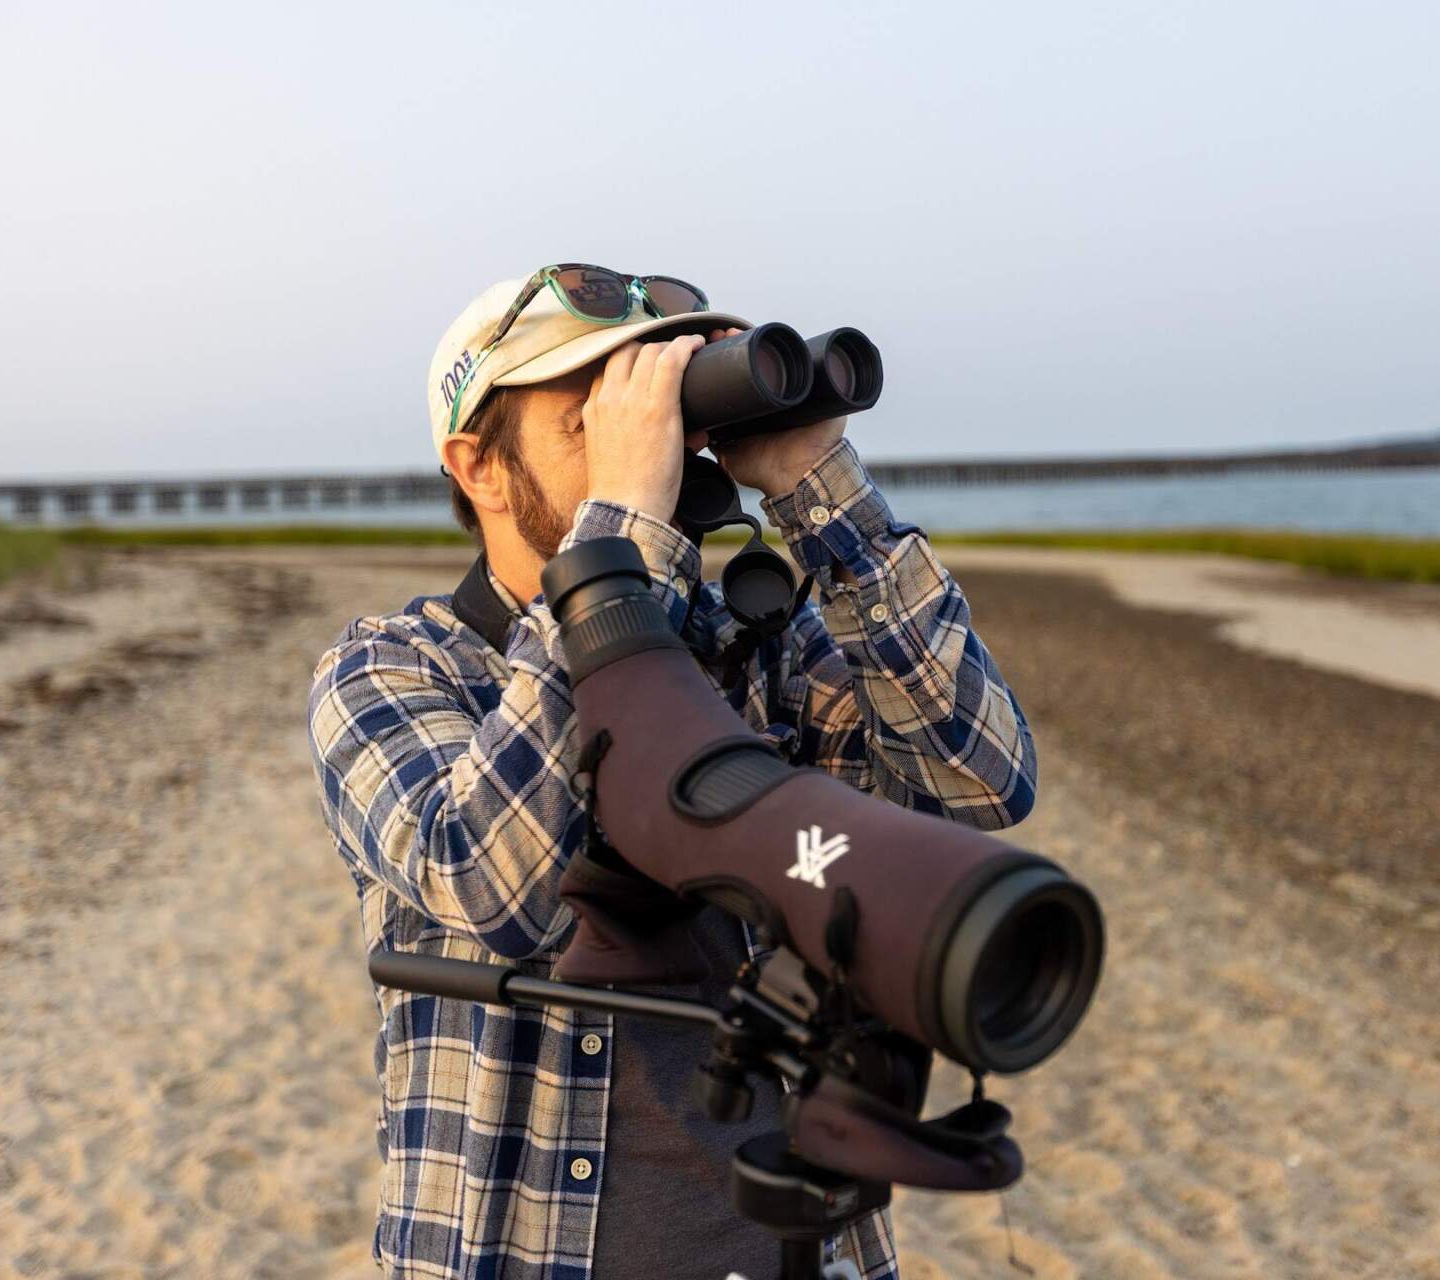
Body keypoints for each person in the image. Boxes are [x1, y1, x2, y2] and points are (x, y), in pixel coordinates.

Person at [308, 265, 1037, 1279]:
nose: (650, 438)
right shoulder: (394, 666)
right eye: (593, 417)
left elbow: (981, 780)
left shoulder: (756, 650)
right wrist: (621, 545)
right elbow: (492, 886)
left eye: (659, 405)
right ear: (476, 464)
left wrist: (816, 480)